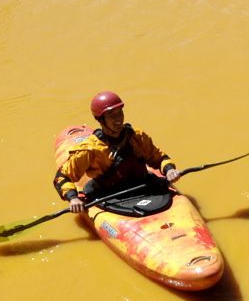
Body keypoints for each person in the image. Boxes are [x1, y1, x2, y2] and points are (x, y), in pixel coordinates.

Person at [54, 91, 182, 214]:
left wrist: (169, 170)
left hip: (144, 187)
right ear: (101, 120)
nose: (118, 119)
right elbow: (62, 177)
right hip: (111, 197)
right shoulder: (90, 149)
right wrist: (73, 198)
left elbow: (160, 158)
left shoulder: (137, 137)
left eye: (120, 113)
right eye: (111, 115)